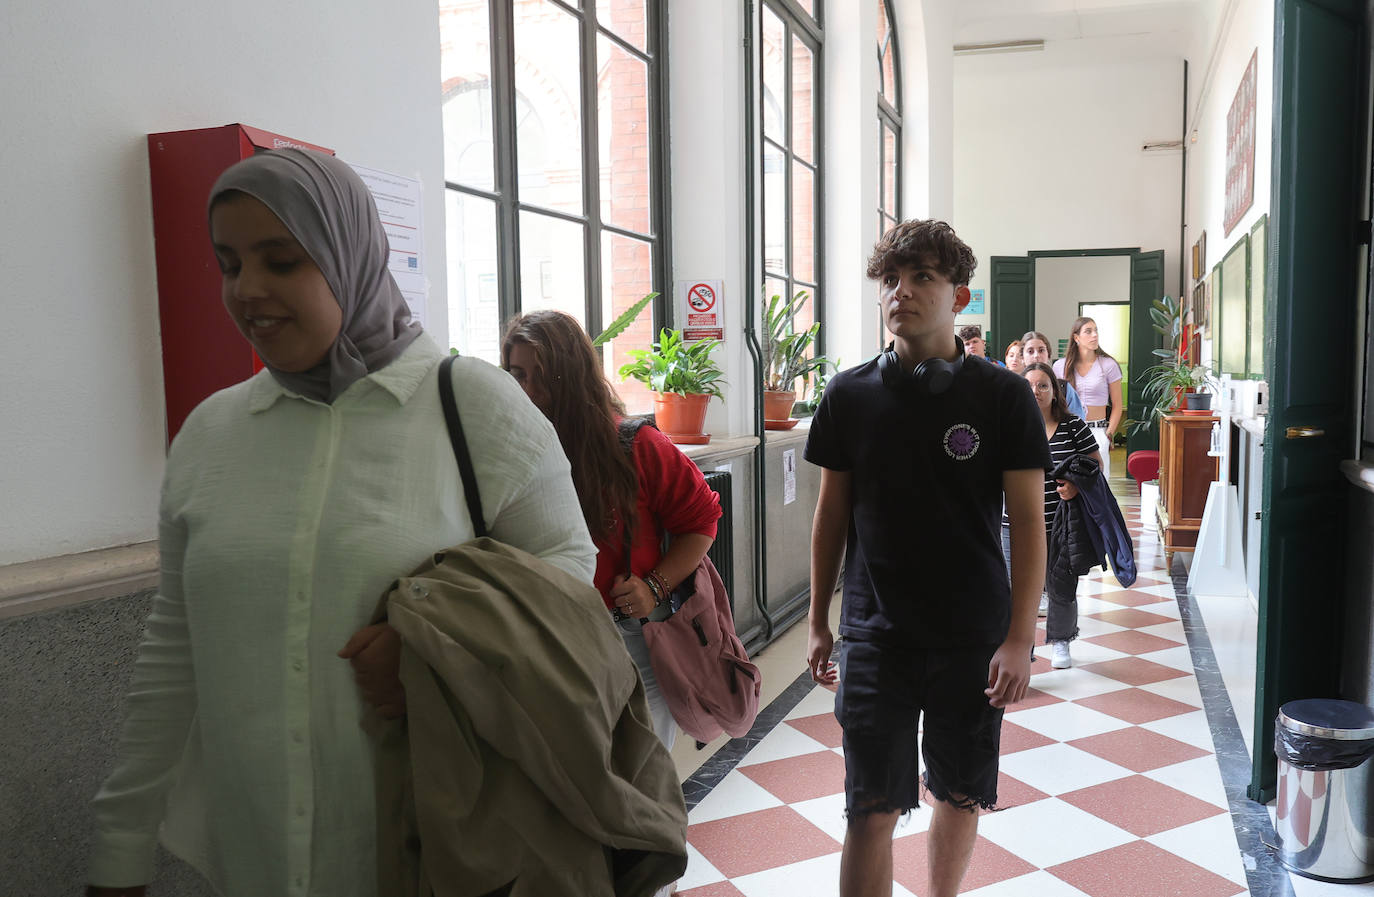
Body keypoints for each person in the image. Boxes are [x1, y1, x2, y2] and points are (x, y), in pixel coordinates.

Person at [86, 149, 597, 897]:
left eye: (282, 260)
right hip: (256, 853)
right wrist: (120, 844)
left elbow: (570, 579)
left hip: (440, 849)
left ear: (348, 255)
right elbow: (174, 649)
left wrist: (435, 651)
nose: (248, 290)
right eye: (229, 263)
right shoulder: (211, 434)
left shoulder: (473, 406)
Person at [805, 219, 1049, 897]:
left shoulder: (1002, 398)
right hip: (875, 635)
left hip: (972, 635)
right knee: (868, 809)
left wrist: (1020, 637)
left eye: (922, 277)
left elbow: (1029, 522)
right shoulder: (848, 395)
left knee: (959, 793)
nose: (901, 291)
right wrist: (818, 619)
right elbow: (830, 516)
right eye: (891, 278)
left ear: (959, 294)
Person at [502, 310, 720, 751]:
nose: (526, 391)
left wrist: (654, 586)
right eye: (515, 374)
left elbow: (701, 523)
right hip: (545, 638)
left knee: (641, 778)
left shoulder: (636, 445)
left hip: (628, 641)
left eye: (541, 377)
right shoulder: (507, 447)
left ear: (572, 377)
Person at [1018, 363, 1101, 669]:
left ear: (1055, 391)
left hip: (1061, 520)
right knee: (1019, 589)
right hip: (1018, 521)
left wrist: (1076, 486)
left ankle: (1061, 641)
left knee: (1060, 584)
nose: (1036, 392)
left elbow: (1095, 464)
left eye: (1043, 385)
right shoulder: (1012, 424)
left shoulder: (1072, 426)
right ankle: (1021, 646)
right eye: (1029, 386)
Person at [1053, 317, 1124, 478]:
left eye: (1096, 330)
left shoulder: (1108, 365)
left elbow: (1118, 405)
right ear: (1076, 337)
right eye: (1088, 331)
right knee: (1068, 480)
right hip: (1068, 430)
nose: (1095, 335)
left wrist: (1109, 434)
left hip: (1097, 431)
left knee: (1098, 482)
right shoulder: (1059, 366)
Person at [1021, 330, 1086, 419]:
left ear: (1048, 355)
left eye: (1041, 350)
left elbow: (1078, 423)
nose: (1036, 355)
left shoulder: (1064, 388)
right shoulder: (1015, 388)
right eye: (1030, 351)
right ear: (1022, 357)